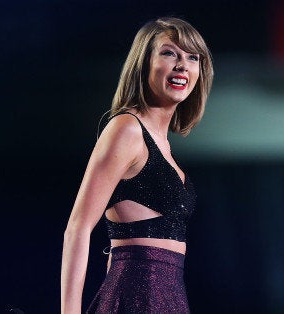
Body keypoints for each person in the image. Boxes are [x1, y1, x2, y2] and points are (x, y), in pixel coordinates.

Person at [60, 17, 213, 313]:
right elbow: (77, 227)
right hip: (137, 299)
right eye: (170, 53)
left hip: (168, 299)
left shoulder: (163, 146)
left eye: (192, 58)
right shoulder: (126, 129)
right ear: (144, 64)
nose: (183, 64)